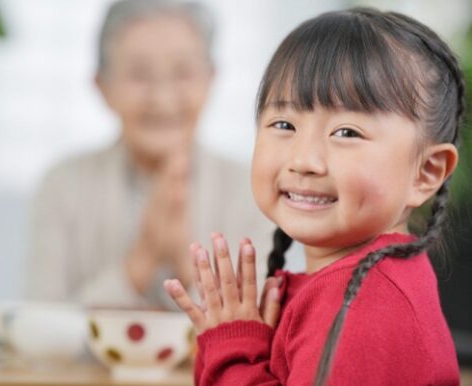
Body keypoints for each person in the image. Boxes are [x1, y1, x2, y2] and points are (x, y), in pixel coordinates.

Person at [164, 7, 463, 385]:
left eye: (347, 132)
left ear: (426, 172)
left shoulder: (366, 306)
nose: (304, 160)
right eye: (284, 124)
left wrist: (233, 352)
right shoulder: (355, 286)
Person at [25, 0, 290, 309]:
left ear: (211, 80)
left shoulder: (253, 190)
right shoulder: (63, 185)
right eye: (139, 75)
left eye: (182, 73)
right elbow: (39, 326)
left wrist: (185, 264)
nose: (162, 100)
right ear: (102, 86)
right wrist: (141, 259)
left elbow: (260, 329)